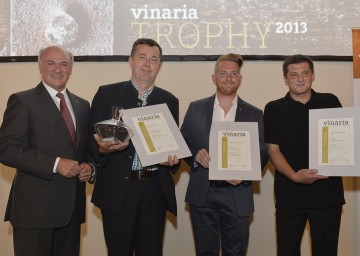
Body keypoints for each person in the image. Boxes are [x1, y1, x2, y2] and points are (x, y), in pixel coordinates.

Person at [88, 38, 179, 256]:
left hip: (154, 191)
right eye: (142, 57)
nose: (147, 64)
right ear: (130, 61)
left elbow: (173, 146)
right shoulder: (106, 94)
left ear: (160, 66)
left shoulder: (169, 101)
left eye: (154, 59)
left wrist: (173, 161)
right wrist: (102, 149)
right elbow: (90, 144)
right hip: (118, 192)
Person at [0, 45, 94, 256]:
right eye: (51, 63)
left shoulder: (82, 105)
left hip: (71, 212)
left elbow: (85, 151)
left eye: (64, 64)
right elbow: (6, 149)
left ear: (71, 69)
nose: (58, 69)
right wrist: (55, 164)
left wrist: (90, 167)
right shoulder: (22, 101)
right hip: (34, 212)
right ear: (40, 67)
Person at [180, 53, 268, 256]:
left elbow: (262, 152)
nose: (229, 78)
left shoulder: (255, 113)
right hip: (203, 193)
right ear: (214, 78)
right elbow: (184, 143)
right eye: (223, 73)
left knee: (236, 252)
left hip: (238, 193)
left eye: (234, 73)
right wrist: (195, 155)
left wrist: (245, 172)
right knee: (205, 251)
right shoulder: (196, 108)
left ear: (240, 79)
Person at [264, 54, 345, 256]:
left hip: (328, 195)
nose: (300, 79)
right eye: (294, 74)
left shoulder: (331, 101)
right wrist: (294, 176)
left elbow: (343, 141)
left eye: (305, 73)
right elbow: (273, 150)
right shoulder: (273, 108)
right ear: (285, 78)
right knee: (287, 252)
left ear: (313, 75)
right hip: (289, 196)